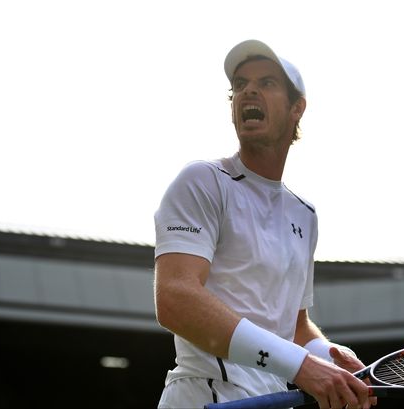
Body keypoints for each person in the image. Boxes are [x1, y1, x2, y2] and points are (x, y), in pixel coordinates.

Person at [153, 39, 375, 409]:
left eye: (266, 82)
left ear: (296, 109)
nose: (248, 90)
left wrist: (328, 353)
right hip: (202, 396)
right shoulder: (203, 181)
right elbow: (175, 298)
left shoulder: (305, 215)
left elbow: (294, 325)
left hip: (272, 400)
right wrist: (304, 366)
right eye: (239, 85)